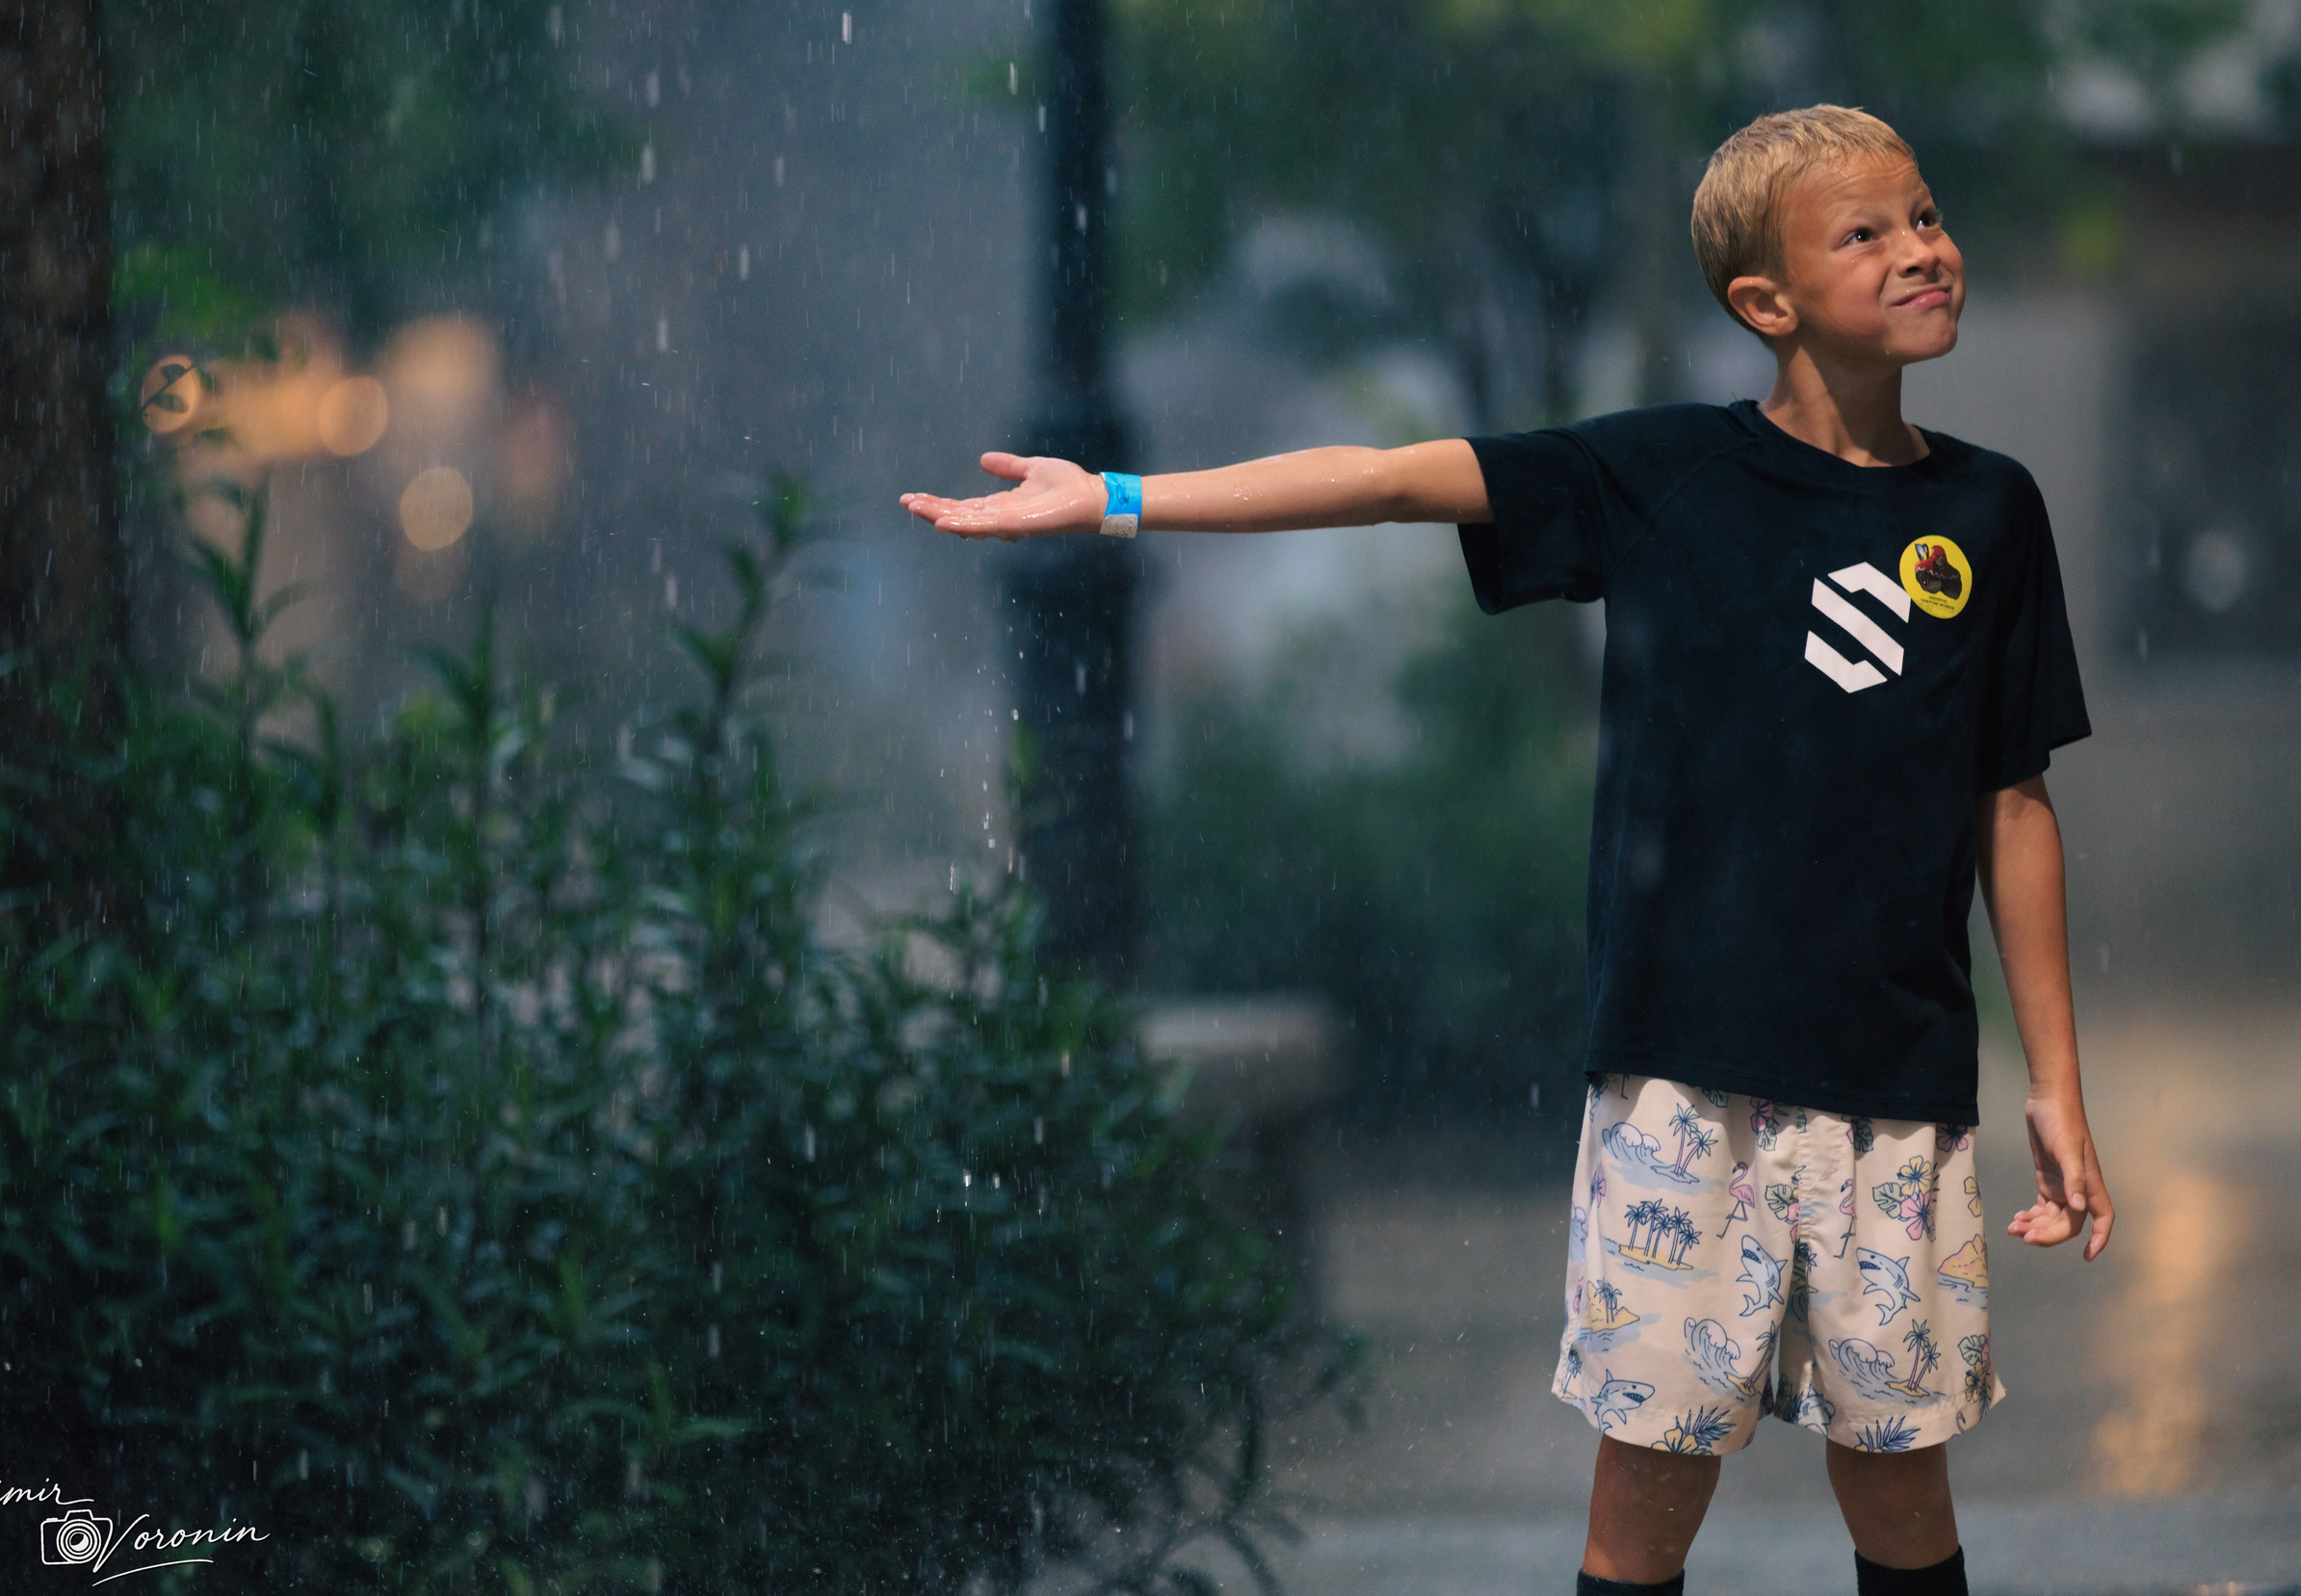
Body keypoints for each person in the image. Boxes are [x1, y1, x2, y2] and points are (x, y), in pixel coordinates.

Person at [897, 104, 2116, 1595]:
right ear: (1766, 302)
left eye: (1923, 215)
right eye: (1865, 233)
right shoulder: (1664, 473)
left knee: (1902, 1493)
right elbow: (1386, 477)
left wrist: (2055, 1081)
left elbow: (2013, 804)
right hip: (1683, 1083)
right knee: (1646, 1498)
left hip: (1895, 1087)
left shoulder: (1991, 510)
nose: (1920, 248)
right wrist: (1119, 501)